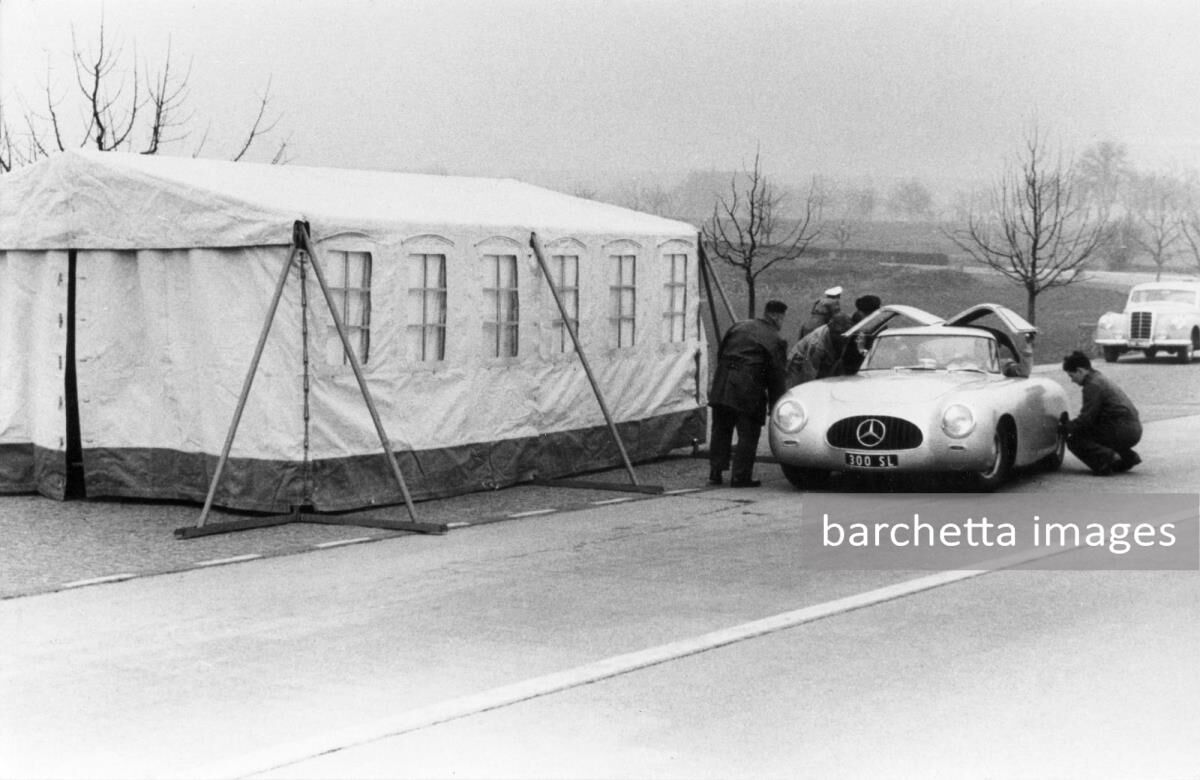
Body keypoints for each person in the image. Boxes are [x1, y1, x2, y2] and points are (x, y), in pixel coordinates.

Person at [708, 300, 789, 488]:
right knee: (748, 433)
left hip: (722, 384)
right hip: (748, 389)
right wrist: (776, 405)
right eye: (782, 318)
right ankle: (740, 476)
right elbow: (776, 375)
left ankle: (716, 472)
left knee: (721, 429)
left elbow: (721, 353)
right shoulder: (775, 339)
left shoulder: (738, 326)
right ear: (776, 316)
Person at [1061, 350, 1143, 476]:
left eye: (1071, 376)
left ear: (1080, 371)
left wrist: (1066, 428)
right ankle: (1128, 458)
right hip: (1132, 428)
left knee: (1074, 440)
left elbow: (1086, 419)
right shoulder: (1099, 377)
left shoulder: (1092, 385)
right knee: (1093, 431)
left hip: (1122, 429)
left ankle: (1106, 460)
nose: (1072, 381)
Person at [786, 312, 854, 387]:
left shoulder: (843, 335)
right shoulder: (816, 344)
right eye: (840, 333)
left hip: (823, 360)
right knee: (798, 388)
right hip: (799, 362)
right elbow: (809, 373)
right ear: (832, 330)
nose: (844, 337)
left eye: (847, 332)